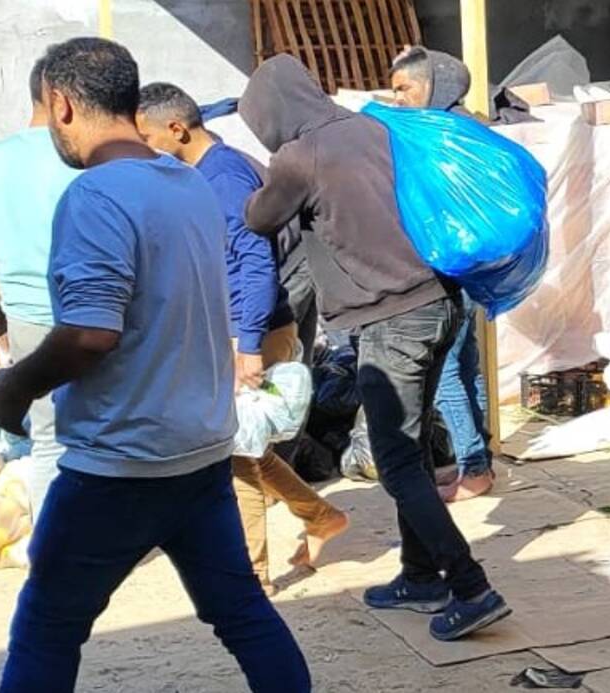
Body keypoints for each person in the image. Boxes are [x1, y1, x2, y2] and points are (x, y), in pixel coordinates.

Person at [0, 38, 311, 692]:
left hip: (118, 464)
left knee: (47, 628)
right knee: (242, 612)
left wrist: (13, 388)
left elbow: (90, 334)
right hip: (199, 452)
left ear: (60, 104)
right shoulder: (188, 184)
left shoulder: (95, 197)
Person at [240, 54, 510, 642]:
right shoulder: (374, 125)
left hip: (392, 322)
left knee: (395, 461)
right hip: (441, 304)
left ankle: (471, 587)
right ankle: (420, 576)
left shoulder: (298, 156)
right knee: (410, 450)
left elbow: (259, 218)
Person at [136, 81, 350, 594]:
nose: (143, 148)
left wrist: (247, 345)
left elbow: (254, 262)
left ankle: (253, 575)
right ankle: (319, 516)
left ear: (176, 128)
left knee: (234, 454)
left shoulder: (224, 177)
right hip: (231, 332)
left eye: (145, 137)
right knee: (243, 445)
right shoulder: (203, 174)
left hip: (248, 332)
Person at [0, 56, 79, 540]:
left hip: (27, 319)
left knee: (48, 440)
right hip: (99, 315)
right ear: (63, 99)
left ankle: (53, 545)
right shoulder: (87, 156)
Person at [388, 46, 496, 502]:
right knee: (465, 361)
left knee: (445, 369)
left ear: (433, 85)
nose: (397, 99)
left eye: (404, 88)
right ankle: (480, 461)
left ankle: (473, 468)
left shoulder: (443, 135)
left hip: (448, 265)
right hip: (473, 264)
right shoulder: (468, 126)